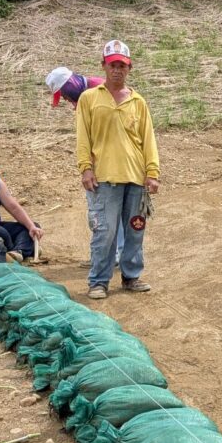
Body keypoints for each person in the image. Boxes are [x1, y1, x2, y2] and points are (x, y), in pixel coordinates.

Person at [76, 39, 160, 300]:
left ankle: (131, 276)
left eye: (122, 65)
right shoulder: (89, 98)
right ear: (104, 66)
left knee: (135, 227)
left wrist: (152, 172)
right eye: (113, 65)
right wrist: (85, 168)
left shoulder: (138, 101)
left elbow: (148, 138)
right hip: (105, 178)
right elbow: (83, 137)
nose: (117, 70)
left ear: (129, 68)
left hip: (136, 176)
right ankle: (99, 281)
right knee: (106, 230)